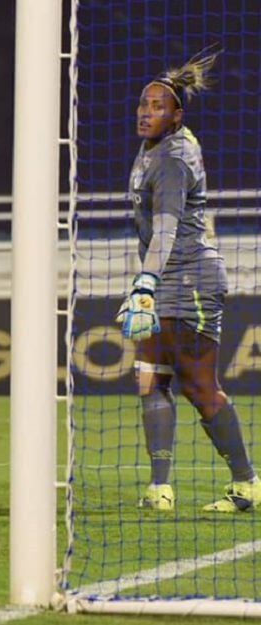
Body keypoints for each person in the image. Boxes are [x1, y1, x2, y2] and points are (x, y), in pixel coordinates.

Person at [117, 48, 260, 512]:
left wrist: (144, 283)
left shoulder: (174, 158)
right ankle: (161, 489)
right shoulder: (152, 147)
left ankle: (247, 483)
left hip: (191, 280)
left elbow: (167, 228)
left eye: (158, 106)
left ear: (177, 115)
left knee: (198, 388)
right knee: (150, 380)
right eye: (144, 103)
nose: (146, 111)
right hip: (167, 279)